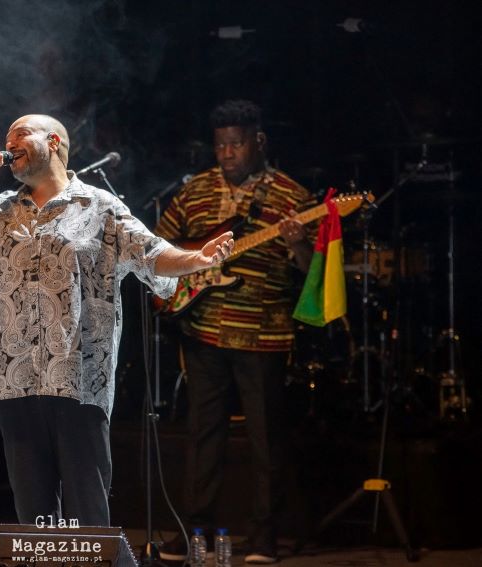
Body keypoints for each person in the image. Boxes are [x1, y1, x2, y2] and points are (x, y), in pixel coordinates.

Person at [0, 114, 234, 527]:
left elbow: (152, 252)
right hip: (11, 375)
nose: (9, 144)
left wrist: (195, 258)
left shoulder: (99, 207)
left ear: (52, 141)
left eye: (19, 134)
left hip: (76, 378)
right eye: (6, 138)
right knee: (34, 514)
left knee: (87, 510)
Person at [154, 100, 314, 564]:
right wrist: (182, 281)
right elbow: (159, 250)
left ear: (258, 141)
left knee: (266, 439)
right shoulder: (195, 192)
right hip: (203, 330)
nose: (227, 153)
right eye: (221, 145)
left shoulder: (291, 196)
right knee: (204, 436)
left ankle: (263, 537)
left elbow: (312, 274)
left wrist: (299, 243)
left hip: (263, 334)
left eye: (237, 144)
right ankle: (192, 533)